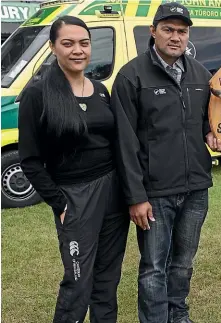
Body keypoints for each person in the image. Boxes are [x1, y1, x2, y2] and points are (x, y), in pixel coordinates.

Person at [110, 3, 221, 323]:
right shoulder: (131, 75)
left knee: (183, 262)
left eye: (182, 31)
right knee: (153, 267)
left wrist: (215, 136)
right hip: (154, 193)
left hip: (196, 187)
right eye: (168, 29)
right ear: (153, 31)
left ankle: (178, 312)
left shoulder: (201, 74)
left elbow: (206, 124)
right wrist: (136, 196)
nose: (176, 37)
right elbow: (124, 142)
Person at [18, 16, 130, 323]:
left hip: (113, 194)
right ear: (53, 48)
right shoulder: (37, 95)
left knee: (107, 279)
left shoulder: (100, 90)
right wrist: (61, 204)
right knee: (78, 281)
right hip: (75, 198)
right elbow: (29, 160)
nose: (77, 50)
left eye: (84, 43)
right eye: (68, 43)